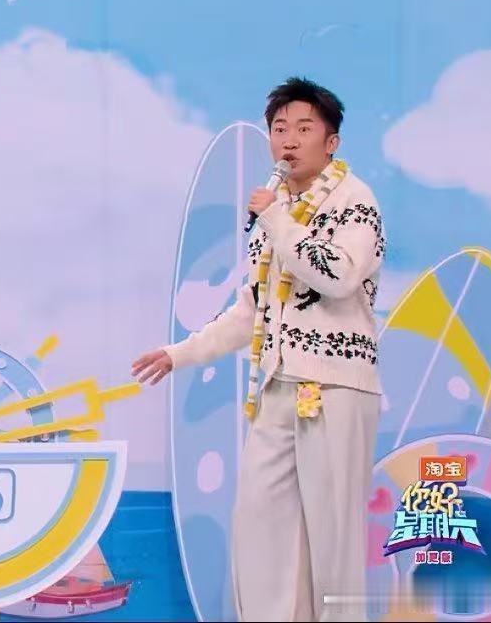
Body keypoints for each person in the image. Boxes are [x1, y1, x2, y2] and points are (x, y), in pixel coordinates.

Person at [132, 77, 385, 622]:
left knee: (334, 538)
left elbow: (337, 276)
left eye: (304, 129)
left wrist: (275, 218)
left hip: (335, 387)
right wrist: (180, 353)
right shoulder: (278, 212)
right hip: (276, 385)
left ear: (332, 142)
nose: (288, 140)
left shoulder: (354, 201)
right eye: (279, 129)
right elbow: (252, 311)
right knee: (260, 527)